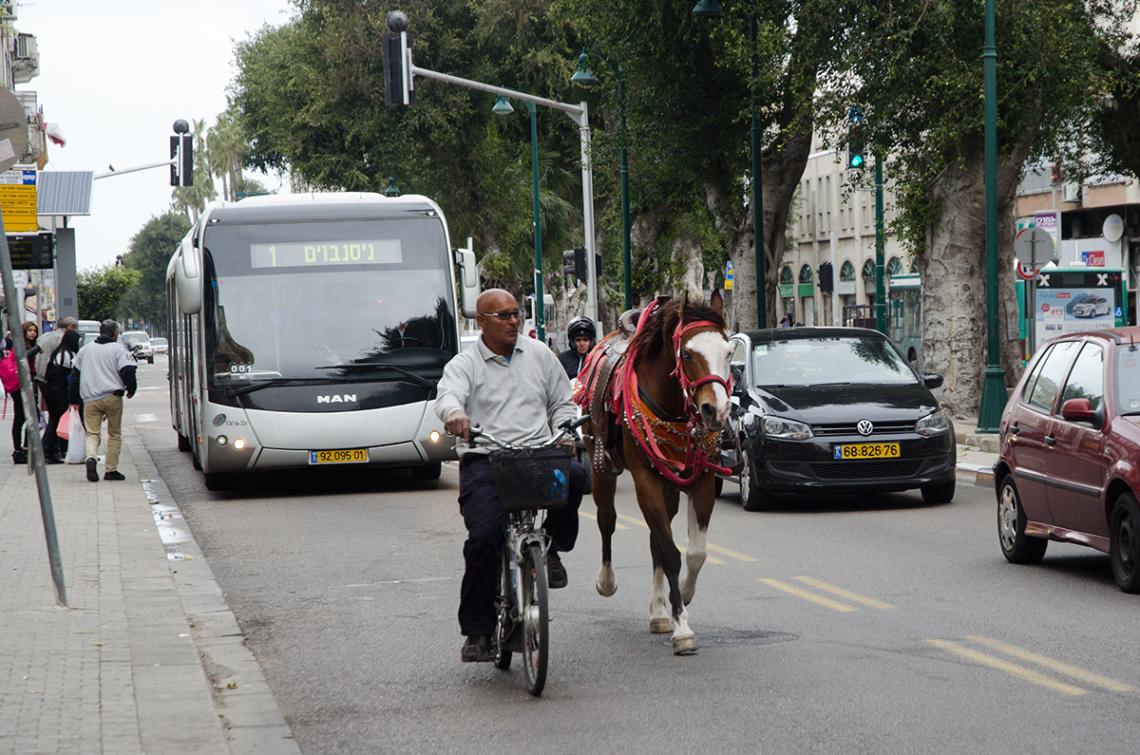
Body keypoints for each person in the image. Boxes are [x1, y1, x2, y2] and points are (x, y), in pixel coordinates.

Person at [434, 288, 588, 663]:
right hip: (486, 459)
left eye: (516, 313)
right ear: (481, 322)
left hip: (539, 453)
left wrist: (566, 429)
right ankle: (478, 631)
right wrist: (455, 414)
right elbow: (447, 396)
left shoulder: (539, 355)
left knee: (578, 476)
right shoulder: (465, 363)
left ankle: (551, 550)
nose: (513, 321)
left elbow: (562, 402)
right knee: (484, 538)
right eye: (502, 316)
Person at [68, 320, 136, 482]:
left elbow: (74, 376)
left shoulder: (85, 350)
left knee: (92, 433)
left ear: (100, 332)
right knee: (114, 434)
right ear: (115, 333)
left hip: (90, 399)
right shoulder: (118, 349)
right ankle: (111, 470)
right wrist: (131, 389)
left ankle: (91, 457)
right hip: (113, 396)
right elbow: (128, 370)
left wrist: (73, 399)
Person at [40, 328, 81, 464]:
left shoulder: (58, 352)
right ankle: (51, 450)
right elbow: (71, 377)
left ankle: (47, 449)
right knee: (59, 419)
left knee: (54, 419)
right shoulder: (69, 355)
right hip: (59, 390)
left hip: (49, 388)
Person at [7, 322, 41, 464]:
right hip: (22, 385)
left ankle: (19, 451)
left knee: (20, 418)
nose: (33, 333)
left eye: (34, 331)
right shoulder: (21, 345)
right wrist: (38, 348)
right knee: (33, 417)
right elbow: (23, 357)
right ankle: (24, 449)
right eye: (30, 331)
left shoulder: (27, 345)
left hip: (22, 385)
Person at [557, 316, 596, 380]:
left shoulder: (596, 358)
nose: (582, 344)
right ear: (572, 342)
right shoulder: (563, 358)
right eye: (578, 340)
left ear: (591, 341)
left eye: (585, 340)